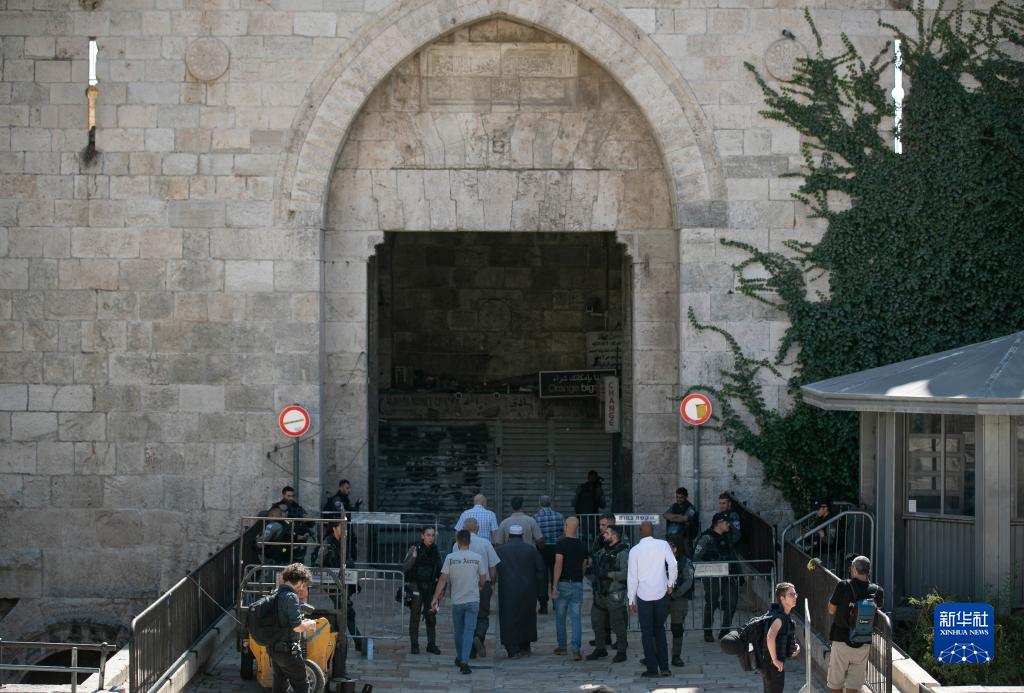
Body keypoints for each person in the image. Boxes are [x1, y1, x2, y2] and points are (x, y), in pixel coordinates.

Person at [431, 530, 486, 675]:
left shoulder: (450, 557)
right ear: (469, 541)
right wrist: (479, 586)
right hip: (472, 599)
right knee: (469, 631)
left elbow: (443, 579)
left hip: (457, 600)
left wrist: (435, 597)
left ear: (457, 541)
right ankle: (464, 662)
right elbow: (483, 579)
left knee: (459, 631)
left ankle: (461, 656)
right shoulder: (477, 558)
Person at [826, 556, 884, 693]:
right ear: (868, 571)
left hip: (841, 639)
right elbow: (878, 608)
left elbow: (831, 609)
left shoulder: (843, 586)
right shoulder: (877, 591)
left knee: (836, 684)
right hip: (863, 641)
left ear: (854, 570)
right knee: (854, 685)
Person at [627, 520, 677, 678]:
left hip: (643, 595)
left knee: (647, 632)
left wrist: (631, 600)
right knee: (660, 630)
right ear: (653, 531)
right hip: (661, 593)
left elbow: (632, 577)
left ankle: (652, 668)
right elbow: (673, 564)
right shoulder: (663, 545)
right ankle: (665, 667)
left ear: (640, 531)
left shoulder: (634, 550)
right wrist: (670, 584)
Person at [494, 524, 546, 658]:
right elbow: (541, 570)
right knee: (526, 616)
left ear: (508, 536)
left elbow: (493, 569)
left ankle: (511, 648)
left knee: (508, 618)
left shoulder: (500, 550)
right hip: (528, 589)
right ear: (522, 536)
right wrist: (541, 590)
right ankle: (524, 644)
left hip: (507, 589)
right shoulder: (530, 549)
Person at [455, 517, 501, 659]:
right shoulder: (485, 543)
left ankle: (470, 650)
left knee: (466, 616)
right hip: (483, 583)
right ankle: (479, 636)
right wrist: (492, 583)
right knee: (482, 614)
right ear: (478, 528)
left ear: (463, 529)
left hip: (463, 584)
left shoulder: (457, 545)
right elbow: (493, 566)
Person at [268, 563, 318, 693]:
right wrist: (310, 624)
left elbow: (284, 621)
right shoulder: (291, 597)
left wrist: (302, 622)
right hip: (289, 652)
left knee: (279, 687)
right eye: (303, 583)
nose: (302, 587)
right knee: (302, 687)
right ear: (299, 581)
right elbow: (297, 627)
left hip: (274, 650)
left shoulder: (276, 593)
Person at [586, 524, 629, 663]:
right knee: (597, 621)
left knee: (617, 623)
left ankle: (621, 651)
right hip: (600, 592)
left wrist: (609, 574)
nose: (603, 534)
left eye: (607, 533)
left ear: (614, 535)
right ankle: (600, 648)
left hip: (614, 592)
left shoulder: (623, 552)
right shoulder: (602, 551)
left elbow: (626, 573)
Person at [694, 512, 740, 641]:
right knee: (712, 602)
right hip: (712, 576)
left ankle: (725, 630)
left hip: (728, 575)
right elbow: (695, 558)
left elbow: (737, 540)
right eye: (726, 522)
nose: (729, 525)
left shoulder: (728, 537)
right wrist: (711, 565)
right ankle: (708, 631)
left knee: (732, 601)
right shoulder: (706, 538)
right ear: (718, 523)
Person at [317, 521, 361, 651]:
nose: (345, 530)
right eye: (342, 528)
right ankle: (358, 642)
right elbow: (319, 561)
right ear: (334, 529)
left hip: (343, 582)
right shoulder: (327, 542)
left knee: (341, 611)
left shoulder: (343, 542)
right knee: (346, 609)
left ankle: (332, 641)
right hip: (331, 582)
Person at [550, 516, 587, 660]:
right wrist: (579, 577)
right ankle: (576, 649)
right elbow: (584, 566)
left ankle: (562, 647)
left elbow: (558, 564)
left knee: (560, 617)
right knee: (576, 618)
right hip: (577, 583)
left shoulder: (561, 544)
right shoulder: (583, 545)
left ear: (566, 526)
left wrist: (554, 585)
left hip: (563, 583)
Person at [401, 526, 442, 655]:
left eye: (433, 535)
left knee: (431, 615)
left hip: (430, 587)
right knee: (415, 616)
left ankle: (431, 644)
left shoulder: (435, 551)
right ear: (422, 536)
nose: (431, 538)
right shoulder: (415, 548)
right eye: (428, 535)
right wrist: (413, 557)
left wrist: (439, 592)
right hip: (416, 586)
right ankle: (414, 644)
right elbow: (404, 567)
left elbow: (440, 571)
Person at [587, 512, 619, 650]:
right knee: (600, 610)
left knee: (617, 612)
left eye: (604, 525)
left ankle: (620, 639)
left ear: (612, 524)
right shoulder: (599, 538)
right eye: (600, 525)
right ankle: (604, 637)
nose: (601, 527)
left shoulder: (620, 538)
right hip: (600, 579)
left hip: (613, 580)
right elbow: (593, 552)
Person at [761, 582, 800, 693]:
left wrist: (794, 647)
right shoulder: (779, 619)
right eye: (791, 594)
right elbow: (770, 637)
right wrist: (775, 660)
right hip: (772, 664)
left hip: (772, 664)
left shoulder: (784, 616)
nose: (795, 597)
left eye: (795, 594)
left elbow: (781, 639)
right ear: (782, 598)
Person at [534, 495, 564, 615]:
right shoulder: (559, 516)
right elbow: (563, 533)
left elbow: (536, 535)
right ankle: (556, 603)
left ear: (539, 503)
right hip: (557, 548)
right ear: (551, 503)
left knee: (542, 577)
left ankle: (543, 606)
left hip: (542, 548)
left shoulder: (535, 517)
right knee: (556, 576)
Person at [668, 535, 695, 668]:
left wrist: (675, 594)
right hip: (661, 598)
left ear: (676, 548)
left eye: (670, 546)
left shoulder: (685, 562)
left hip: (678, 599)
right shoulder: (661, 560)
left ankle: (676, 656)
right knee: (656, 626)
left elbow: (688, 582)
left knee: (677, 628)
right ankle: (653, 654)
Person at [323, 479, 360, 561]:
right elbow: (341, 512)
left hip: (344, 529)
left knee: (349, 549)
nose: (349, 490)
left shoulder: (344, 499)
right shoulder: (337, 499)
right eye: (347, 488)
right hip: (337, 529)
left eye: (349, 488)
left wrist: (357, 506)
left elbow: (349, 510)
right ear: (340, 488)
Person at [663, 486, 699, 555]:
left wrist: (672, 518)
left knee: (687, 557)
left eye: (681, 497)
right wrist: (679, 516)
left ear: (686, 497)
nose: (678, 499)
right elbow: (665, 515)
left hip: (686, 538)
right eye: (677, 497)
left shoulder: (690, 508)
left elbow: (685, 518)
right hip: (673, 538)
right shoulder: (674, 506)